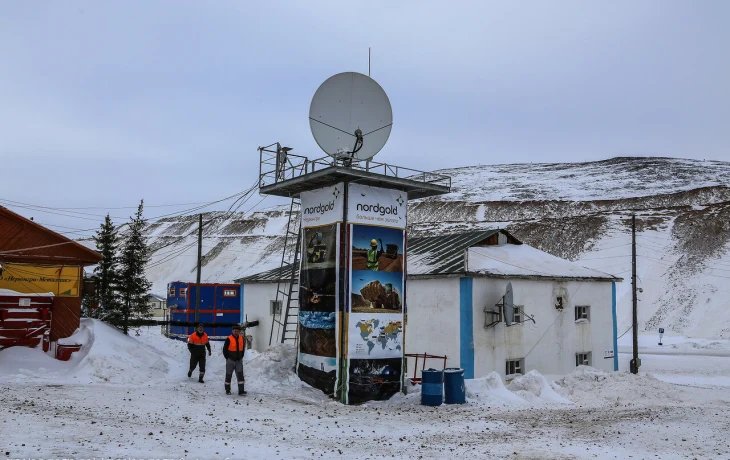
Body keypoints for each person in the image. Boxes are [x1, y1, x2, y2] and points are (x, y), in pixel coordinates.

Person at [223, 324, 246, 395]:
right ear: (232, 331)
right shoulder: (229, 339)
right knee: (228, 375)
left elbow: (243, 348)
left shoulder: (242, 338)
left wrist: (241, 356)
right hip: (230, 360)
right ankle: (227, 390)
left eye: (237, 331)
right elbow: (224, 350)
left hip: (239, 360)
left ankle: (241, 391)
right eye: (235, 331)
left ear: (239, 331)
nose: (236, 332)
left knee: (240, 375)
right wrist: (227, 358)